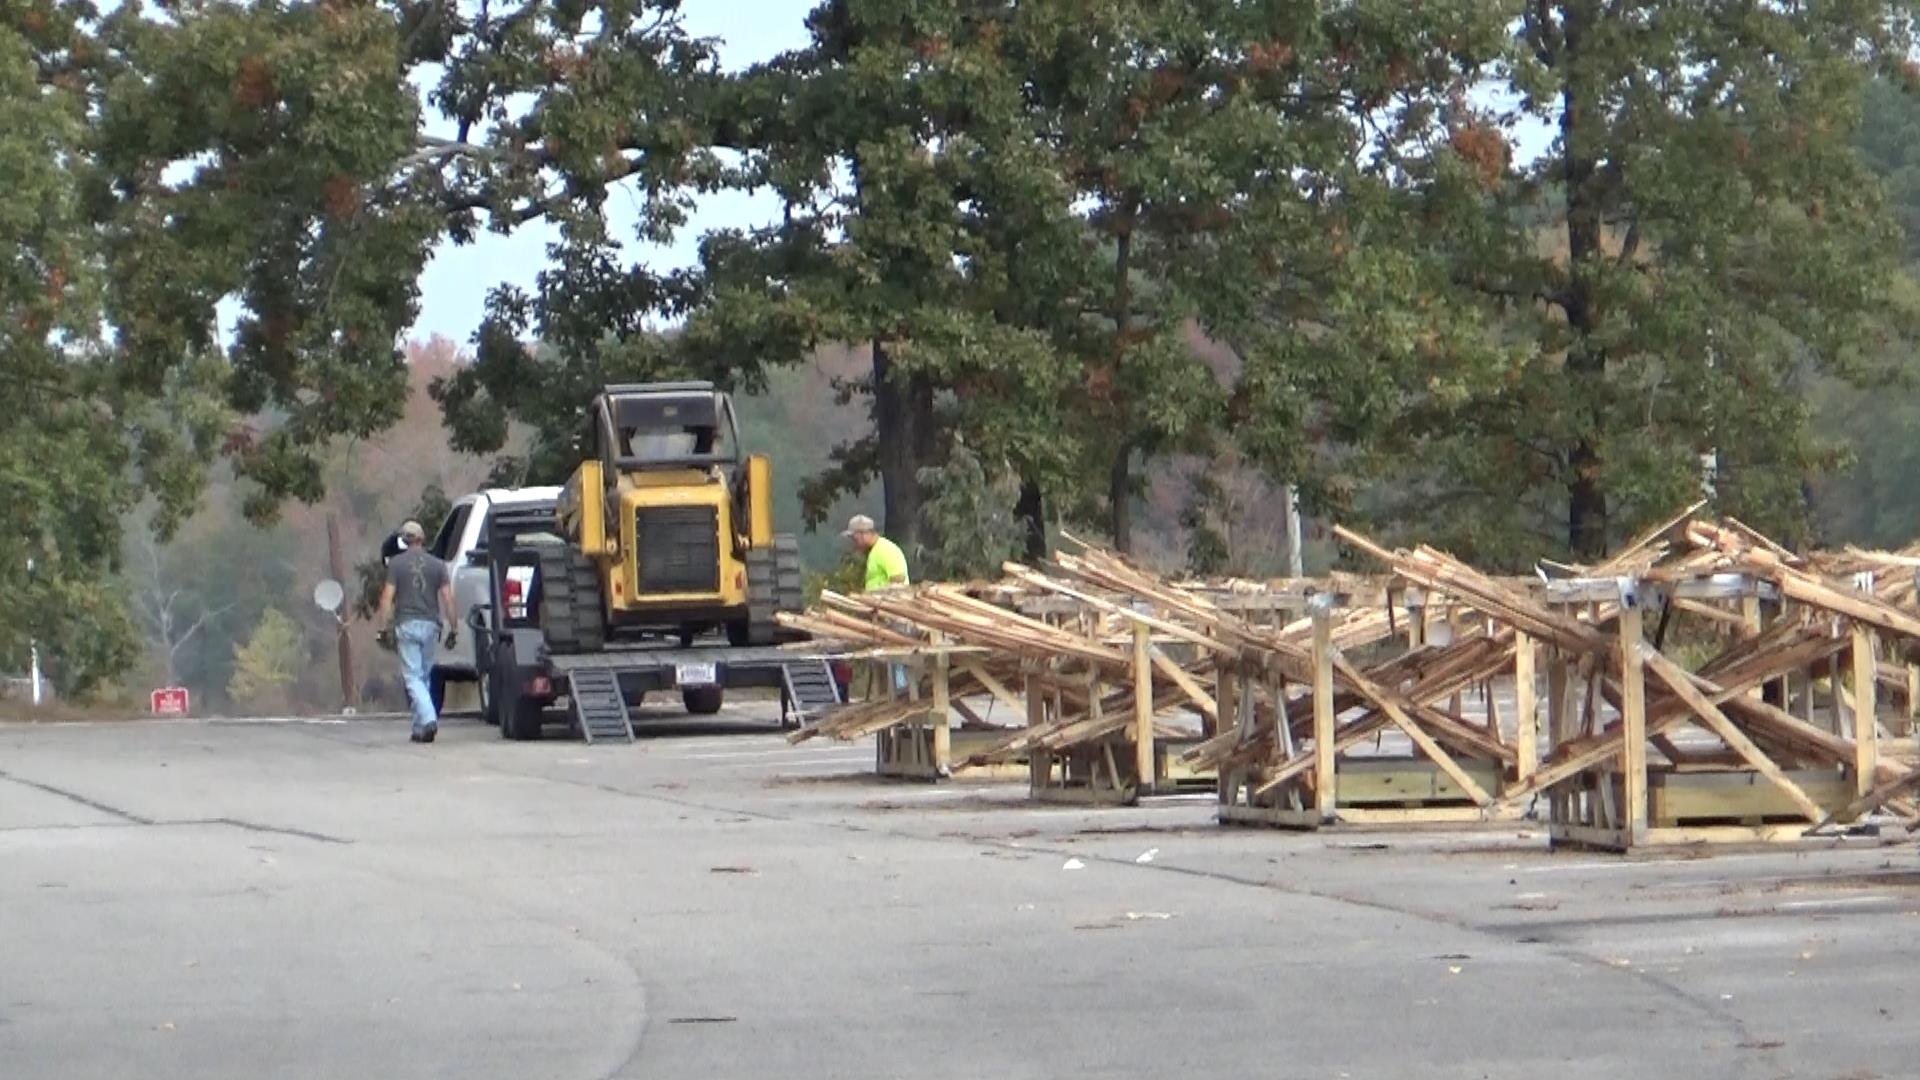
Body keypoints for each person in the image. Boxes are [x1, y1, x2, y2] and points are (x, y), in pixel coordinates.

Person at [375, 520, 458, 743]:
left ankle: (429, 719)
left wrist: (382, 628)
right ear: (422, 539)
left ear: (404, 540)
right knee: (424, 676)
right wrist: (454, 627)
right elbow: (448, 598)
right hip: (431, 625)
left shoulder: (396, 564)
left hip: (407, 624)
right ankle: (419, 728)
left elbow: (387, 598)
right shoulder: (438, 565)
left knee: (412, 677)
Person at [844, 514, 910, 696]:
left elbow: (898, 579)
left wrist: (881, 602)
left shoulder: (885, 550)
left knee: (898, 661)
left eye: (855, 538)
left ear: (864, 534)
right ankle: (888, 700)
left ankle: (902, 698)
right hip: (882, 617)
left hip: (893, 616)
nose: (854, 542)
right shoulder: (875, 553)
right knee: (884, 664)